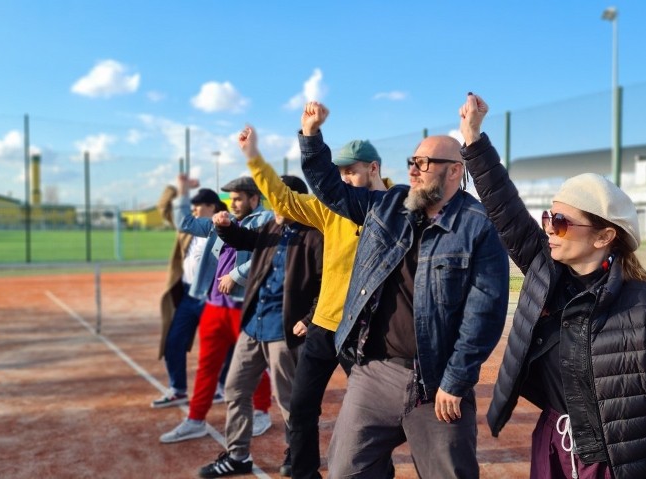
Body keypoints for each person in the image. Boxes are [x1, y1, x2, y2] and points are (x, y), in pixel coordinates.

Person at [459, 93, 646, 479]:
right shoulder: (547, 273)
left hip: (617, 463)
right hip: (553, 448)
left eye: (560, 222)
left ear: (603, 236)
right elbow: (505, 209)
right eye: (548, 217)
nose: (548, 229)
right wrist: (473, 138)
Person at [300, 101, 509, 479]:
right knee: (346, 470)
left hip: (437, 384)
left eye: (424, 163)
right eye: (412, 160)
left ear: (454, 172)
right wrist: (312, 136)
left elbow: (484, 314)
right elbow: (331, 189)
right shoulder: (389, 205)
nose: (413, 168)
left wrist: (456, 381)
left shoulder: (477, 226)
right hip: (374, 372)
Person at [240, 125, 391, 479]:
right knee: (302, 405)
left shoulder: (393, 208)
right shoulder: (330, 209)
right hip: (324, 326)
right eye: (339, 172)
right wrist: (253, 159)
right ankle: (304, 472)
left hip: (366, 332)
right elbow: (284, 200)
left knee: (374, 416)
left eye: (350, 171)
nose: (343, 179)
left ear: (373, 168)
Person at [198, 175, 324, 478]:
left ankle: (298, 454)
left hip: (285, 331)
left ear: (296, 201)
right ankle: (237, 455)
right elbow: (245, 240)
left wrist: (308, 320)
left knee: (290, 401)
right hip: (254, 324)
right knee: (235, 389)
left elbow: (327, 285)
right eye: (271, 197)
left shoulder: (315, 236)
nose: (273, 204)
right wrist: (225, 226)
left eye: (279, 197)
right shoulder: (272, 227)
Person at [160, 175, 275, 444]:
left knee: (253, 367)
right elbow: (185, 223)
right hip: (213, 307)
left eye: (237, 199)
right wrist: (183, 193)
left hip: (243, 309)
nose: (232, 204)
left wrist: (238, 274)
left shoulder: (265, 221)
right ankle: (195, 420)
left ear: (254, 199)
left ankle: (261, 412)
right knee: (206, 367)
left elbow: (267, 255)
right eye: (229, 199)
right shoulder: (223, 221)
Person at [152, 185, 230, 408]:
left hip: (213, 297)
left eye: (197, 206)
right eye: (192, 206)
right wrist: (177, 188)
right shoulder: (187, 229)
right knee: (174, 340)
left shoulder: (225, 227)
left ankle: (222, 386)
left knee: (220, 345)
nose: (193, 210)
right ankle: (177, 389)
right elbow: (165, 209)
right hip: (188, 296)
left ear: (211, 207)